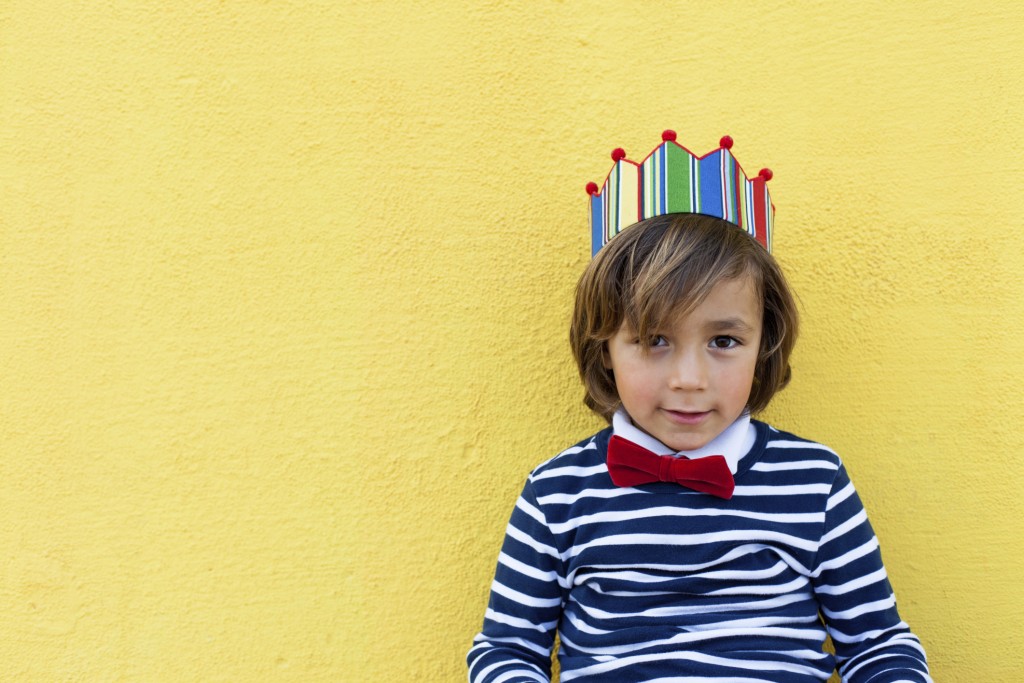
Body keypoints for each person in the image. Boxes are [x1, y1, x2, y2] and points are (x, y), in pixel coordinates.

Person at [467, 132, 931, 682]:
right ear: (604, 348)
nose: (690, 380)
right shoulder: (559, 492)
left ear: (765, 346)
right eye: (654, 339)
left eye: (724, 342)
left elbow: (879, 645)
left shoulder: (815, 482)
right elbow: (506, 651)